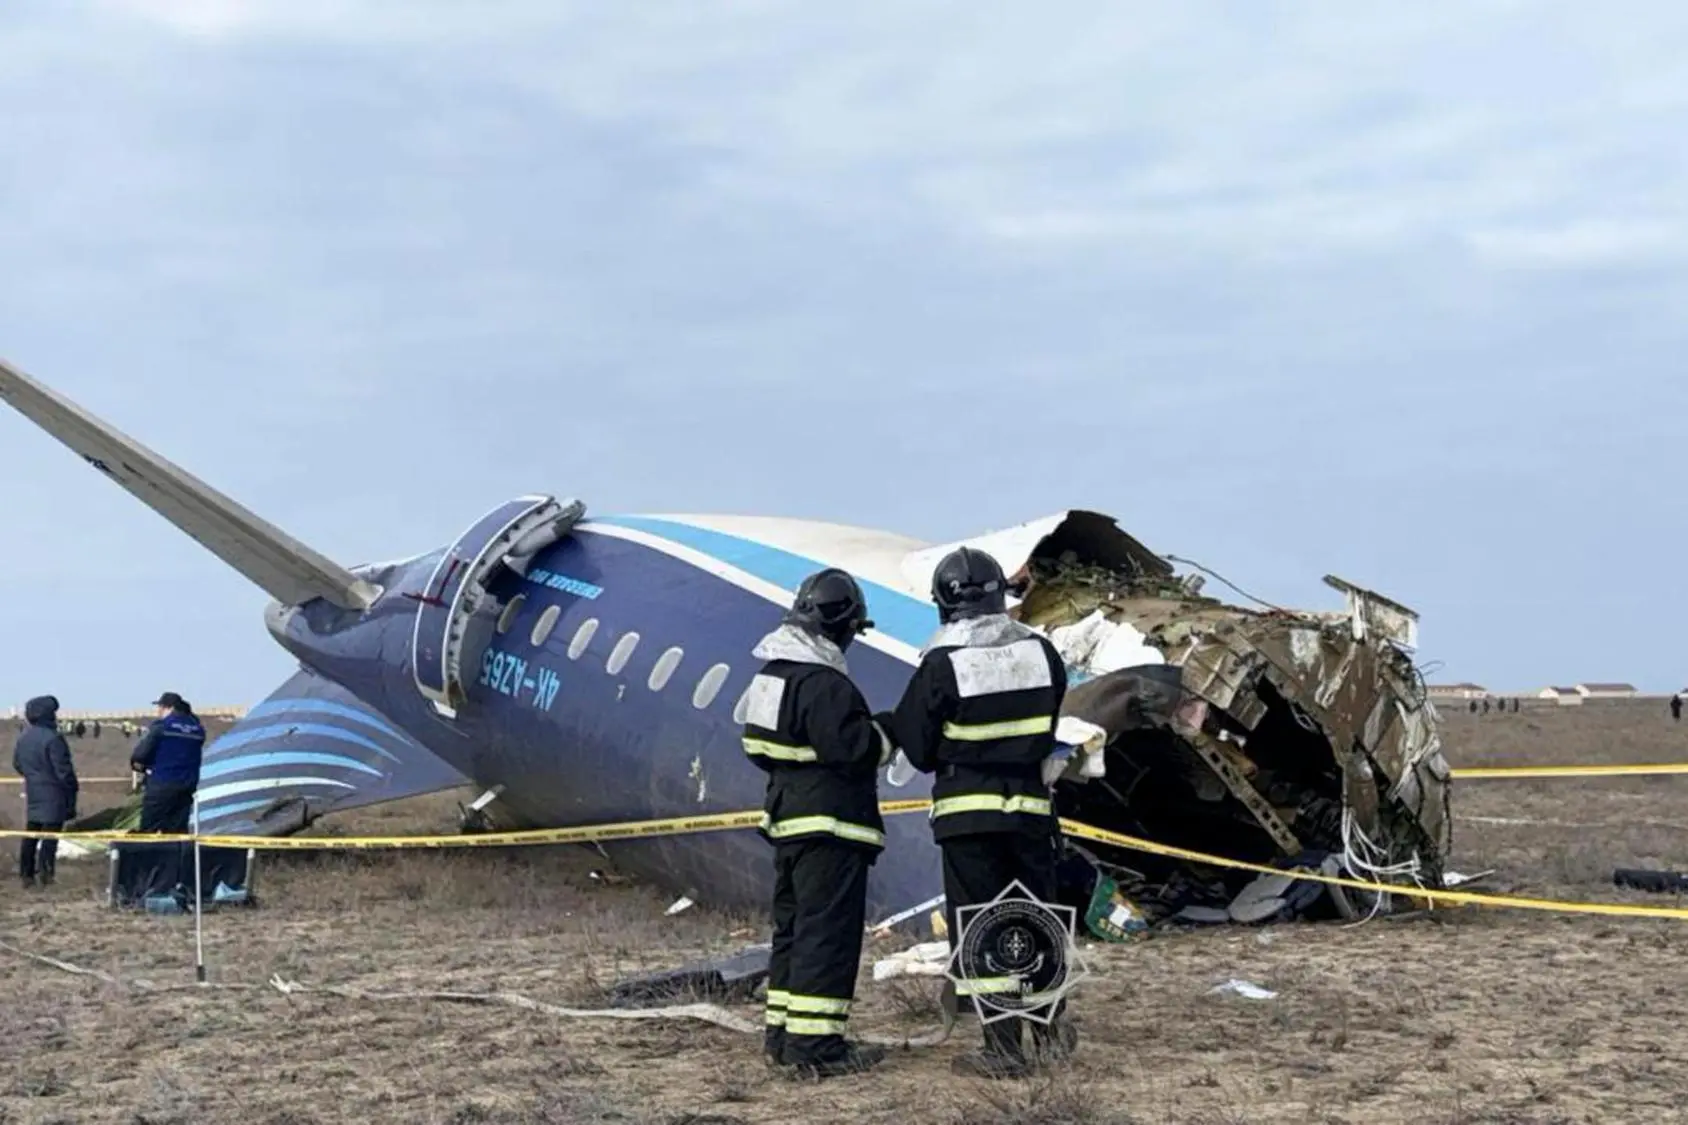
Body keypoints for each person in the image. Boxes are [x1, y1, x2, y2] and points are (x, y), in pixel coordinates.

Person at [879, 546, 1075, 1079]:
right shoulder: (1042, 654)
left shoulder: (942, 664)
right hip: (1031, 813)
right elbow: (1050, 723)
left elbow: (916, 748)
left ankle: (1004, 1049)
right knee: (1038, 918)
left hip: (970, 819)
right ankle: (1052, 1030)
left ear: (945, 603)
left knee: (984, 928)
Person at [742, 567, 893, 1079]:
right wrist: (887, 733)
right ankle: (817, 1047)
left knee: (794, 930)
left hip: (787, 823)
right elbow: (854, 751)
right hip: (831, 828)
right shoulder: (825, 684)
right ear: (844, 626)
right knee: (827, 934)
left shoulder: (771, 676)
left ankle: (783, 1036)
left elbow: (756, 748)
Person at [12, 695, 77, 888]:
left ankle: (26, 875)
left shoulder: (23, 737)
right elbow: (63, 771)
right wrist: (72, 790)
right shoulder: (54, 738)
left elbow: (17, 763)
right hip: (54, 794)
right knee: (50, 838)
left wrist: (34, 777)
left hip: (33, 792)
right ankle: (47, 876)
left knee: (31, 835)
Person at [131, 692, 206, 833]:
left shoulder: (162, 726)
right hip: (187, 786)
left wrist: (142, 766)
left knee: (149, 830)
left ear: (169, 708)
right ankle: (176, 854)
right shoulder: (197, 729)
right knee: (177, 831)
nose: (158, 710)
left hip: (161, 784)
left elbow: (140, 754)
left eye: (160, 707)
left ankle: (147, 854)